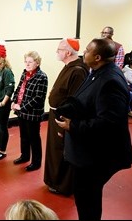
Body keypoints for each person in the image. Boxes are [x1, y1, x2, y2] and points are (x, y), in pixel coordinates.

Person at [55, 37, 132, 220]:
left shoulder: (110, 80)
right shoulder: (97, 71)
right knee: (84, 197)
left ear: (97, 57)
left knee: (87, 200)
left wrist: (72, 125)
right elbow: (86, 99)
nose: (84, 52)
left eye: (88, 50)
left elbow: (108, 123)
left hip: (96, 156)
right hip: (87, 152)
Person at [43, 38, 88, 195]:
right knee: (54, 151)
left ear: (68, 52)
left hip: (64, 119)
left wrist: (65, 120)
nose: (57, 52)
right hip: (57, 114)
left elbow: (75, 100)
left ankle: (63, 185)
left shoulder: (78, 71)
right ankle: (53, 180)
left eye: (59, 49)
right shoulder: (69, 66)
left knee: (61, 151)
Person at [11, 51, 48, 171]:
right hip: (21, 111)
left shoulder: (42, 77)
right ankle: (25, 156)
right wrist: (13, 101)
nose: (27, 64)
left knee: (34, 138)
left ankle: (36, 162)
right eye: (26, 61)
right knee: (24, 136)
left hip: (32, 113)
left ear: (37, 63)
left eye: (30, 62)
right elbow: (19, 89)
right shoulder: (25, 73)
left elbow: (38, 98)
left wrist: (22, 107)